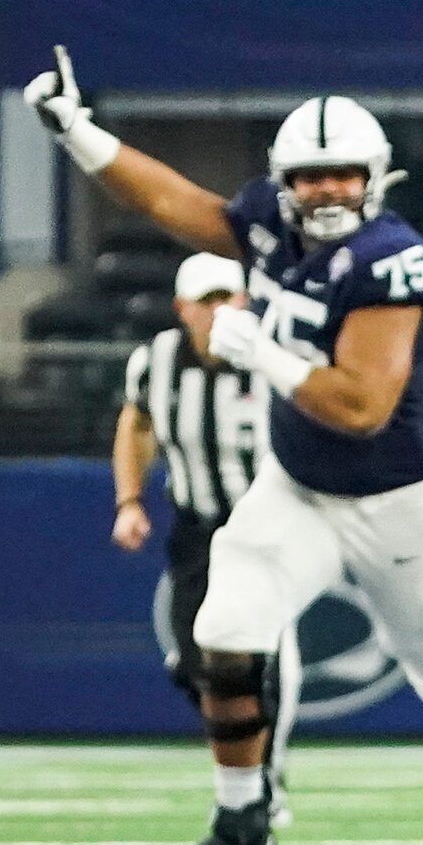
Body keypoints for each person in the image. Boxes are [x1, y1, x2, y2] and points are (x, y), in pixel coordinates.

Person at [22, 55, 423, 845]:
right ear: (284, 183)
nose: (330, 189)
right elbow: (174, 204)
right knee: (224, 632)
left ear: (378, 176)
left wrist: (262, 353)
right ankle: (242, 827)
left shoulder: (394, 259)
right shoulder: (267, 226)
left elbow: (362, 407)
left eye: (346, 172)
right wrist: (80, 134)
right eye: (311, 176)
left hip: (402, 504)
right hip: (299, 487)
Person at [115, 256, 293, 800]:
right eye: (206, 300)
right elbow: (137, 423)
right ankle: (251, 759)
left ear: (246, 302)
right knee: (196, 661)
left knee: (262, 655)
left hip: (263, 521)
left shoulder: (273, 355)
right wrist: (129, 500)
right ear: (182, 309)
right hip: (196, 524)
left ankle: (262, 776)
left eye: (228, 298)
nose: (219, 311)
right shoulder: (155, 360)